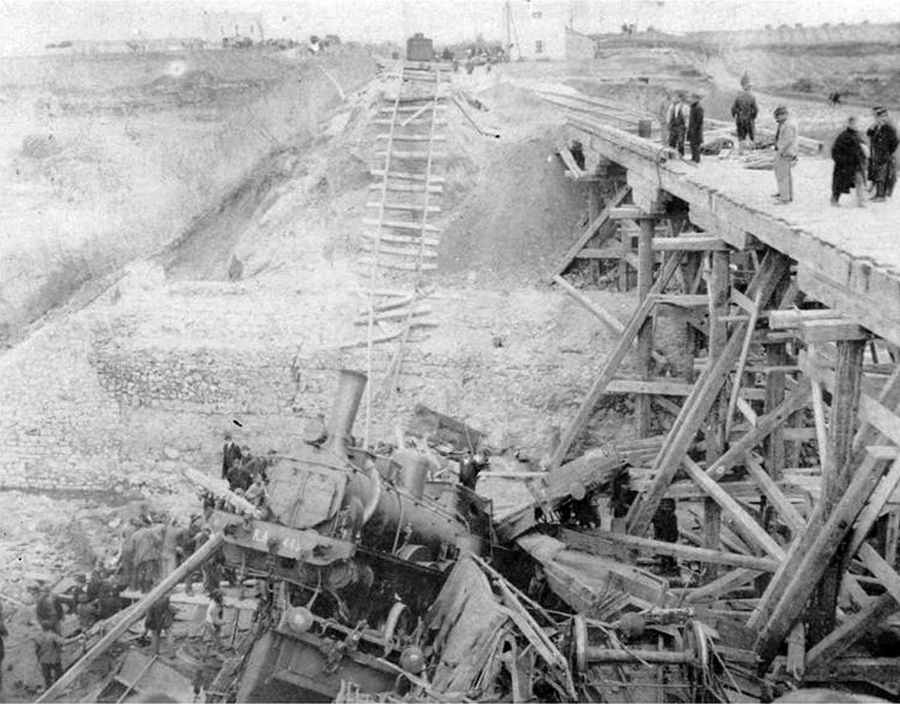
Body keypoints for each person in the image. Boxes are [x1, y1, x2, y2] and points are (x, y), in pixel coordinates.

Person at [830, 116, 867, 207]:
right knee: (840, 183)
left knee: (860, 182)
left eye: (858, 124)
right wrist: (842, 161)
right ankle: (834, 200)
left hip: (856, 164)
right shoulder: (843, 136)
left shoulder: (857, 135)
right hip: (845, 165)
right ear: (850, 124)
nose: (857, 126)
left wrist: (863, 156)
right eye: (855, 124)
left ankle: (861, 202)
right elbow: (835, 151)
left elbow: (861, 148)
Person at [867, 106, 899, 201]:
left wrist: (888, 151)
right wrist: (873, 126)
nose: (877, 119)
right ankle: (878, 194)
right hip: (877, 155)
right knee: (877, 175)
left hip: (885, 155)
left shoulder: (888, 128)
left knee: (883, 176)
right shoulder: (877, 127)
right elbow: (868, 133)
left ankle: (881, 196)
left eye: (878, 117)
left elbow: (895, 141)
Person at [773, 106, 799, 204]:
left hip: (785, 153)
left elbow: (788, 140)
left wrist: (781, 151)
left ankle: (784, 198)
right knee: (786, 175)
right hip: (788, 152)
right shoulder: (789, 123)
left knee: (782, 175)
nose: (776, 119)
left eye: (777, 117)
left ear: (783, 115)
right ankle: (787, 195)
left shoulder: (787, 125)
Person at [34, 623, 64, 690]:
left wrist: (39, 659)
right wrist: (77, 637)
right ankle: (58, 689)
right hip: (54, 660)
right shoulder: (53, 636)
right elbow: (63, 642)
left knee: (47, 679)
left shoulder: (37, 638)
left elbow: (37, 651)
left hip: (44, 661)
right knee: (60, 675)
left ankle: (49, 691)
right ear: (50, 628)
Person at [732, 76, 759, 149]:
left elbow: (733, 109)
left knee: (741, 135)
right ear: (749, 89)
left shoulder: (738, 97)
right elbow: (756, 109)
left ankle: (741, 150)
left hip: (740, 119)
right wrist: (753, 117)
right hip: (749, 119)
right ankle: (752, 149)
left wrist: (735, 116)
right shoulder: (752, 97)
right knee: (751, 135)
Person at [665, 91, 689, 157]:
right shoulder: (672, 106)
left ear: (680, 98)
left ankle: (681, 156)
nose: (674, 98)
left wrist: (686, 126)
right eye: (674, 97)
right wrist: (668, 123)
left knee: (681, 142)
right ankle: (671, 156)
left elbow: (687, 117)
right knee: (671, 141)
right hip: (673, 126)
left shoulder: (685, 107)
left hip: (681, 126)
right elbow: (668, 115)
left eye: (676, 97)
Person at [687, 93, 704, 163]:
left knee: (696, 144)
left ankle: (697, 159)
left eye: (693, 98)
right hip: (692, 129)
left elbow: (699, 120)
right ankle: (693, 157)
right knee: (692, 144)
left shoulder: (699, 108)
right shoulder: (693, 107)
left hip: (696, 130)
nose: (691, 100)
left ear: (696, 99)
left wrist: (695, 129)